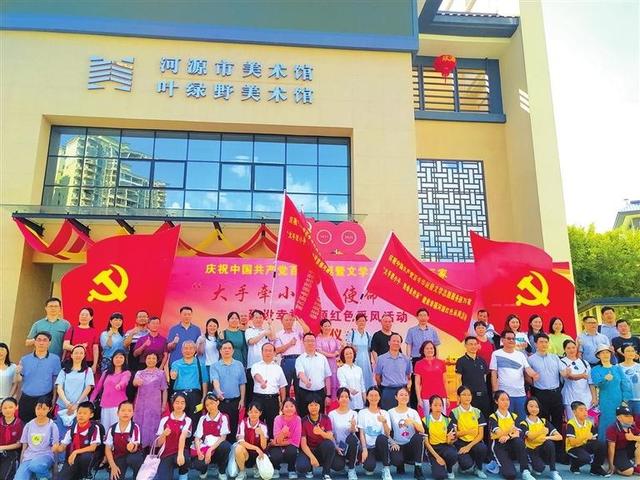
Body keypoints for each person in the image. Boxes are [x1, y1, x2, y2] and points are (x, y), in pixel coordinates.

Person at [526, 333, 566, 458]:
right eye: (541, 342)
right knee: (543, 423)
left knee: (558, 421)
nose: (544, 344)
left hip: (556, 393)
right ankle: (544, 453)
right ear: (536, 344)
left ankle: (558, 453)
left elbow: (563, 372)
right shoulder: (531, 359)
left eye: (546, 342)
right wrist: (532, 380)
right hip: (540, 394)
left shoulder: (555, 357)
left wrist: (568, 372)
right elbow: (527, 376)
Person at [489, 330, 539, 420]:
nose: (511, 340)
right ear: (502, 340)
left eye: (513, 339)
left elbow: (528, 369)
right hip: (504, 395)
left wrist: (534, 374)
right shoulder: (496, 354)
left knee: (521, 421)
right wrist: (495, 391)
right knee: (506, 422)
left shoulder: (520, 355)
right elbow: (494, 373)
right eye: (508, 338)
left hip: (520, 394)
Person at [487, 390, 534, 480]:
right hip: (499, 445)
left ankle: (525, 470)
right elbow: (498, 433)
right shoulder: (493, 417)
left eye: (507, 400)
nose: (506, 402)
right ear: (496, 401)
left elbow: (518, 433)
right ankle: (495, 463)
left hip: (511, 442)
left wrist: (508, 436)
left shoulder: (514, 416)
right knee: (510, 475)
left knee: (519, 442)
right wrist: (511, 430)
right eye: (502, 400)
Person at [54, 345, 94, 447]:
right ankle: (61, 457)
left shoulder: (88, 371)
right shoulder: (64, 371)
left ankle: (74, 455)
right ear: (71, 355)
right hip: (64, 407)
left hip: (80, 409)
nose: (78, 355)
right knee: (61, 436)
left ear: (84, 355)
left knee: (77, 435)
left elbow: (88, 387)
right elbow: (59, 387)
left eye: (81, 353)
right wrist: (67, 403)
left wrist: (77, 403)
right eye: (76, 353)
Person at [18, 331, 61, 423]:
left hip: (45, 398)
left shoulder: (55, 359)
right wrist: (17, 372)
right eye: (39, 340)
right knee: (24, 425)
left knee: (43, 425)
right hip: (26, 398)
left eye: (45, 340)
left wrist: (54, 399)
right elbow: (19, 380)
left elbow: (55, 381)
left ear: (49, 343)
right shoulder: (25, 359)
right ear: (35, 342)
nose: (41, 342)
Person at [591, 344, 632, 440]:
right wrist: (605, 379)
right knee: (606, 423)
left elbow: (625, 383)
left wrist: (625, 400)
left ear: (610, 354)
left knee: (620, 424)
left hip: (619, 401)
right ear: (598, 355)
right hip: (605, 402)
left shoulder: (617, 368)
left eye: (607, 352)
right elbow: (597, 384)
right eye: (602, 353)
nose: (605, 355)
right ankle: (603, 446)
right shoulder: (595, 369)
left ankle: (619, 446)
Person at [14, 396, 60, 480]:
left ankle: (47, 476)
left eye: (44, 409)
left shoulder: (52, 426)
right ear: (35, 408)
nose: (40, 411)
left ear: (49, 409)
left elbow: (56, 446)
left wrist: (55, 467)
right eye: (38, 408)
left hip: (45, 455)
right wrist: (21, 464)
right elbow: (24, 447)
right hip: (29, 457)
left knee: (35, 465)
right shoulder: (28, 425)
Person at [54, 401, 102, 480]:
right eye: (79, 413)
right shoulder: (72, 429)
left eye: (85, 413)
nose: (81, 415)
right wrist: (57, 448)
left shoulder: (94, 428)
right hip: (73, 458)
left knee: (86, 457)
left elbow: (93, 447)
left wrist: (76, 452)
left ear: (91, 415)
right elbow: (63, 446)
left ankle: (87, 476)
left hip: (86, 458)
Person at [210, 340, 247, 444]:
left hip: (235, 402)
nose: (227, 350)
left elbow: (242, 383)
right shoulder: (214, 366)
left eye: (229, 348)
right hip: (220, 402)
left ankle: (232, 448)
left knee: (233, 426)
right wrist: (218, 391)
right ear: (220, 351)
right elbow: (215, 381)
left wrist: (242, 400)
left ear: (233, 351)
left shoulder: (239, 365)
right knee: (220, 427)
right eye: (224, 348)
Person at [519, 397, 562, 480]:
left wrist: (546, 437)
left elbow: (559, 437)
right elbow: (530, 437)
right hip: (530, 450)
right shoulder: (524, 423)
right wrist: (542, 431)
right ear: (526, 407)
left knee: (549, 443)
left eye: (536, 406)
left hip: (541, 449)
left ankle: (553, 471)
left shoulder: (543, 421)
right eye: (531, 406)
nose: (534, 409)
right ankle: (530, 466)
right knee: (539, 469)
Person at [191, 393, 232, 480]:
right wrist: (199, 451)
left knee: (226, 446)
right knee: (197, 463)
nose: (210, 406)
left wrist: (210, 449)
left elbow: (223, 437)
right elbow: (197, 438)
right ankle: (203, 470)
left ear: (217, 402)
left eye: (212, 403)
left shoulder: (223, 417)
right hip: (205, 448)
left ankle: (221, 471)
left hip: (217, 450)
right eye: (207, 405)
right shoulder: (203, 419)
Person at [449, 386, 488, 479]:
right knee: (466, 465)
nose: (467, 397)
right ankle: (463, 465)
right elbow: (455, 434)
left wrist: (468, 447)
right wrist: (468, 432)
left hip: (474, 442)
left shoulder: (477, 412)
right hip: (460, 442)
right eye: (464, 395)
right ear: (458, 397)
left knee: (482, 448)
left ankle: (478, 468)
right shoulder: (454, 412)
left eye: (469, 395)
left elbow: (481, 435)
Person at [388, 387, 426, 479]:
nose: (404, 397)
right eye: (401, 395)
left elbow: (422, 430)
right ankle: (400, 464)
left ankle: (418, 468)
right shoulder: (390, 412)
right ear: (396, 397)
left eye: (406, 395)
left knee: (419, 437)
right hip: (397, 445)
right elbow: (386, 431)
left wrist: (413, 422)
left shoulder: (413, 412)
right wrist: (392, 443)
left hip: (410, 445)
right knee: (397, 460)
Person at [133, 351, 168, 449]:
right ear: (145, 360)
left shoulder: (161, 373)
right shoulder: (139, 373)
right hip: (141, 404)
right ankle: (140, 447)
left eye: (153, 358)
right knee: (140, 423)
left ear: (157, 360)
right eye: (149, 358)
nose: (151, 360)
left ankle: (153, 448)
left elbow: (164, 390)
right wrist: (136, 382)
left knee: (154, 425)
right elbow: (134, 382)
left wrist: (163, 405)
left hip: (154, 404)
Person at [251, 342, 287, 437]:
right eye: (265, 350)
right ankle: (257, 444)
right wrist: (262, 382)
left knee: (273, 425)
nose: (268, 353)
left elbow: (282, 386)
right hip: (258, 399)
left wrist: (283, 402)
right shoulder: (255, 366)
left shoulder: (278, 368)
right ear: (262, 352)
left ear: (274, 353)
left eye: (270, 351)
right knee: (257, 424)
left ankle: (272, 444)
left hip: (273, 400)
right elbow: (256, 375)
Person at [297, 395, 336, 480]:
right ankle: (309, 469)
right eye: (311, 405)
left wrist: (321, 432)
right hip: (309, 450)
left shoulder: (326, 418)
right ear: (307, 407)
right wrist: (312, 457)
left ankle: (326, 473)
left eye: (316, 405)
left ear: (320, 406)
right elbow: (303, 444)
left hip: (321, 449)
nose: (313, 407)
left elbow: (330, 437)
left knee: (329, 444)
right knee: (301, 466)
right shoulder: (303, 421)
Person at [90, 349, 131, 430]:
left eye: (121, 357)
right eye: (116, 357)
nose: (118, 359)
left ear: (124, 360)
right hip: (105, 405)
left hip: (119, 406)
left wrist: (119, 385)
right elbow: (98, 388)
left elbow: (125, 381)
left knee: (116, 430)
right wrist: (91, 401)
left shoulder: (126, 372)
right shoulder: (106, 373)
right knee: (105, 429)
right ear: (112, 359)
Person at [565, 400, 608, 476]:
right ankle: (574, 465)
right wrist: (586, 437)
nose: (585, 412)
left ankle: (596, 468)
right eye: (581, 410)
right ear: (574, 412)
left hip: (584, 445)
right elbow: (572, 442)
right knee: (586, 458)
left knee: (601, 445)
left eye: (585, 410)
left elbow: (594, 438)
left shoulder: (589, 423)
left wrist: (591, 438)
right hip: (573, 448)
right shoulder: (571, 424)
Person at [357, 386, 392, 480]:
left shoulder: (385, 413)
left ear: (380, 397)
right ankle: (368, 462)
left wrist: (384, 422)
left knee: (381, 437)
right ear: (367, 397)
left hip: (381, 446)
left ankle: (386, 469)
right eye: (371, 395)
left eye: (376, 395)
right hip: (369, 447)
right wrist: (364, 449)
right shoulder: (362, 413)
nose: (373, 398)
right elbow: (361, 433)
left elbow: (387, 434)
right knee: (369, 468)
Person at [169, 340, 208, 424]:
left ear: (195, 350)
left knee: (195, 420)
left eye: (191, 348)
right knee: (179, 420)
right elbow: (173, 375)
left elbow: (204, 381)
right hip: (179, 395)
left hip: (195, 396)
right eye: (186, 348)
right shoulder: (176, 364)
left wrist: (204, 397)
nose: (188, 351)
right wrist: (173, 376)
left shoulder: (200, 364)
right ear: (182, 350)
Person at [156, 392, 192, 480]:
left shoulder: (187, 420)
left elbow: (183, 436)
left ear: (185, 405)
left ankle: (183, 473)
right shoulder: (164, 420)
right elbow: (158, 444)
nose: (179, 405)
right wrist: (164, 434)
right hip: (165, 454)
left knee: (185, 458)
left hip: (179, 451)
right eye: (177, 402)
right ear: (173, 403)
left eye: (182, 403)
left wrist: (180, 454)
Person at [104, 400, 144, 480]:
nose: (126, 413)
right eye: (123, 410)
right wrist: (113, 465)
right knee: (115, 476)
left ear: (133, 413)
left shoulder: (135, 427)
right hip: (118, 456)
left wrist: (132, 447)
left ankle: (137, 476)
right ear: (117, 413)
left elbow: (136, 446)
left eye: (129, 411)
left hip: (133, 455)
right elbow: (107, 448)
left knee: (134, 459)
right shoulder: (112, 428)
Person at [295, 333, 332, 417]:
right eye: (307, 341)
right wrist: (306, 382)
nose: (310, 343)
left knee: (320, 417)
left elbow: (327, 377)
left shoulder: (322, 358)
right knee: (304, 417)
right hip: (304, 393)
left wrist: (328, 395)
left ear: (315, 342)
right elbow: (300, 373)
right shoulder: (300, 359)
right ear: (303, 343)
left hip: (319, 393)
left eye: (312, 341)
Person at [423, 394, 458, 480]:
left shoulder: (447, 420)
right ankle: (435, 463)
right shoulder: (425, 420)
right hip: (433, 449)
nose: (438, 408)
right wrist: (437, 457)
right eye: (435, 405)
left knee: (453, 454)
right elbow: (426, 442)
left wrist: (449, 439)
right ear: (430, 406)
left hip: (445, 446)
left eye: (440, 405)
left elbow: (451, 441)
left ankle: (449, 469)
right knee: (440, 476)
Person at [455, 336, 491, 420]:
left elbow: (484, 378)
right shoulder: (461, 361)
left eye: (475, 344)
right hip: (469, 397)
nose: (473, 346)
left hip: (483, 396)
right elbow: (458, 380)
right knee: (470, 420)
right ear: (465, 345)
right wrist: (459, 397)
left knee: (484, 420)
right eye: (470, 344)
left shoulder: (482, 360)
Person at [245, 309, 276, 404]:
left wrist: (270, 325)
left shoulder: (266, 331)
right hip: (252, 365)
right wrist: (263, 334)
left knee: (264, 389)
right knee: (251, 393)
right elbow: (251, 341)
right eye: (256, 317)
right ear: (252, 319)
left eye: (261, 318)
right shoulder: (249, 330)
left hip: (265, 366)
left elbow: (273, 338)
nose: (258, 319)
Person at [328, 388, 359, 480]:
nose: (344, 399)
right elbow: (330, 433)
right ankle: (343, 463)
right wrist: (336, 447)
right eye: (342, 397)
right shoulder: (332, 414)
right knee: (337, 466)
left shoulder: (354, 413)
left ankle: (351, 469)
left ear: (349, 398)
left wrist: (353, 425)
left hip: (350, 445)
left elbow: (353, 432)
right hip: (338, 446)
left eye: (346, 397)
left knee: (352, 438)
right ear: (338, 399)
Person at [375, 333, 412, 410]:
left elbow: (408, 376)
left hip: (402, 391)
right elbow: (378, 377)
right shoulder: (381, 359)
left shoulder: (406, 359)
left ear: (400, 344)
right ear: (389, 342)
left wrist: (407, 388)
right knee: (387, 414)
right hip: (387, 392)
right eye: (394, 341)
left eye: (398, 341)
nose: (396, 343)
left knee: (404, 414)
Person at [559, 340, 594, 420]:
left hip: (587, 397)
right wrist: (581, 376)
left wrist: (594, 397)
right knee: (573, 421)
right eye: (568, 348)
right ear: (564, 349)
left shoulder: (584, 362)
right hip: (570, 397)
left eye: (573, 347)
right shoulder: (562, 362)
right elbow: (570, 377)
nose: (571, 350)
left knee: (589, 420)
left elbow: (590, 381)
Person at [266, 397, 301, 479]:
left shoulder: (298, 419)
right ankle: (276, 468)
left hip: (288, 445)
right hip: (278, 444)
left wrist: (277, 443)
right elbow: (277, 438)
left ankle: (291, 469)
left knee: (292, 450)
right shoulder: (277, 419)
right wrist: (282, 433)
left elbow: (296, 441)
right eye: (286, 406)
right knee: (275, 454)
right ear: (282, 408)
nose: (289, 409)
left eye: (292, 406)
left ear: (295, 408)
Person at [275, 314, 309, 396]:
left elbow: (307, 331)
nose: (289, 322)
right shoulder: (279, 334)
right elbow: (277, 350)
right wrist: (290, 344)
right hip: (286, 362)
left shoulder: (297, 332)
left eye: (291, 320)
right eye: (286, 320)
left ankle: (299, 404)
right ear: (282, 321)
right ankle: (285, 403)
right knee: (285, 386)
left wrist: (300, 321)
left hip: (299, 361)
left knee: (299, 386)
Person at [235, 402, 269, 480]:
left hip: (258, 455)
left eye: (256, 412)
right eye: (251, 412)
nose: (253, 414)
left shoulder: (263, 426)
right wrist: (256, 448)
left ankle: (256, 468)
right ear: (248, 413)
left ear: (260, 413)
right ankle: (242, 471)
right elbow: (241, 442)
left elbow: (264, 446)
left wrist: (262, 434)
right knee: (238, 448)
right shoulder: (243, 423)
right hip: (246, 453)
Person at [62, 307, 99, 373]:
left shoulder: (94, 331)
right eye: (82, 314)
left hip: (88, 361)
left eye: (86, 315)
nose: (84, 317)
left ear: (91, 318)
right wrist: (79, 348)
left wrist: (95, 364)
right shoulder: (72, 329)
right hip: (72, 360)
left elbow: (95, 349)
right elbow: (65, 345)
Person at [605, 404, 640, 476]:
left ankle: (637, 465)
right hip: (617, 452)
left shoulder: (632, 427)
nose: (630, 418)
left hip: (627, 450)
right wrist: (611, 465)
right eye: (626, 416)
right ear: (618, 418)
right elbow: (611, 448)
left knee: (639, 442)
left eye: (631, 416)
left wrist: (633, 437)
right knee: (629, 472)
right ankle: (617, 468)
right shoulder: (612, 428)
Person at [414, 340, 447, 414]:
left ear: (434, 350)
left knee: (442, 418)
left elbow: (445, 381)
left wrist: (447, 397)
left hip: (441, 395)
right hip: (426, 397)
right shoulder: (418, 364)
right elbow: (417, 383)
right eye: (427, 348)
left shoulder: (441, 363)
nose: (429, 350)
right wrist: (419, 399)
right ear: (423, 350)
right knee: (428, 418)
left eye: (431, 348)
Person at [345, 313, 374, 389]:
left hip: (366, 362)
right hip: (355, 361)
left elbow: (369, 350)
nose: (361, 323)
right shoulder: (352, 334)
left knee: (366, 382)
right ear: (356, 322)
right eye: (359, 321)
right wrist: (351, 347)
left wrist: (371, 363)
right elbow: (347, 348)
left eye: (363, 321)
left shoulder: (368, 335)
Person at [317, 319, 342, 400]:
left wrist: (341, 348)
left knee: (334, 383)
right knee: (324, 383)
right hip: (322, 363)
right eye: (325, 326)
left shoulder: (334, 339)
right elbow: (319, 351)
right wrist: (332, 355)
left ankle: (334, 402)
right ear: (321, 327)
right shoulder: (318, 339)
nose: (327, 328)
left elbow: (339, 350)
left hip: (333, 364)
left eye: (329, 326)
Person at [337, 346, 366, 410]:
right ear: (343, 356)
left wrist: (366, 402)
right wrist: (350, 390)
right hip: (348, 403)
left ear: (354, 354)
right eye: (346, 354)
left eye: (351, 353)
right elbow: (343, 385)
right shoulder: (341, 370)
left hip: (359, 403)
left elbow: (362, 386)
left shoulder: (359, 369)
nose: (349, 355)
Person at [0, 397, 23, 479]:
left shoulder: (19, 423)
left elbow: (19, 444)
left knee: (4, 477)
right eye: (5, 408)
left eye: (10, 407)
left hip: (11, 453)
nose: (7, 410)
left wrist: (2, 447)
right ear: (1, 409)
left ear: (16, 407)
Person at [619, 344, 640, 417]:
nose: (631, 353)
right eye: (628, 351)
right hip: (624, 401)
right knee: (626, 422)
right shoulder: (617, 367)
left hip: (638, 400)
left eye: (633, 351)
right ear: (623, 353)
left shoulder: (639, 366)